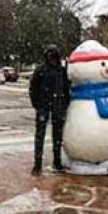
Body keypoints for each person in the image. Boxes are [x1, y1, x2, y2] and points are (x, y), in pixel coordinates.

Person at [29, 45, 70, 175]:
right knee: (40, 136)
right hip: (44, 106)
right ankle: (37, 164)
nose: (51, 57)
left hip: (57, 106)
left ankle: (57, 162)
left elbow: (66, 88)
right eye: (49, 54)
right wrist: (37, 104)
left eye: (53, 55)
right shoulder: (40, 70)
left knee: (57, 136)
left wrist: (64, 104)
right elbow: (33, 89)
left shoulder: (61, 71)